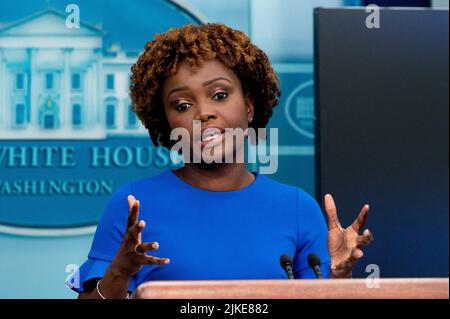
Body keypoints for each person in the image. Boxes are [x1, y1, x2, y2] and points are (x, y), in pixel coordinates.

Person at [69, 23, 373, 299]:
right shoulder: (134, 206)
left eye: (219, 95)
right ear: (166, 122)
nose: (203, 113)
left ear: (249, 106)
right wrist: (119, 273)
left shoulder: (297, 208)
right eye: (183, 104)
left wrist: (339, 275)